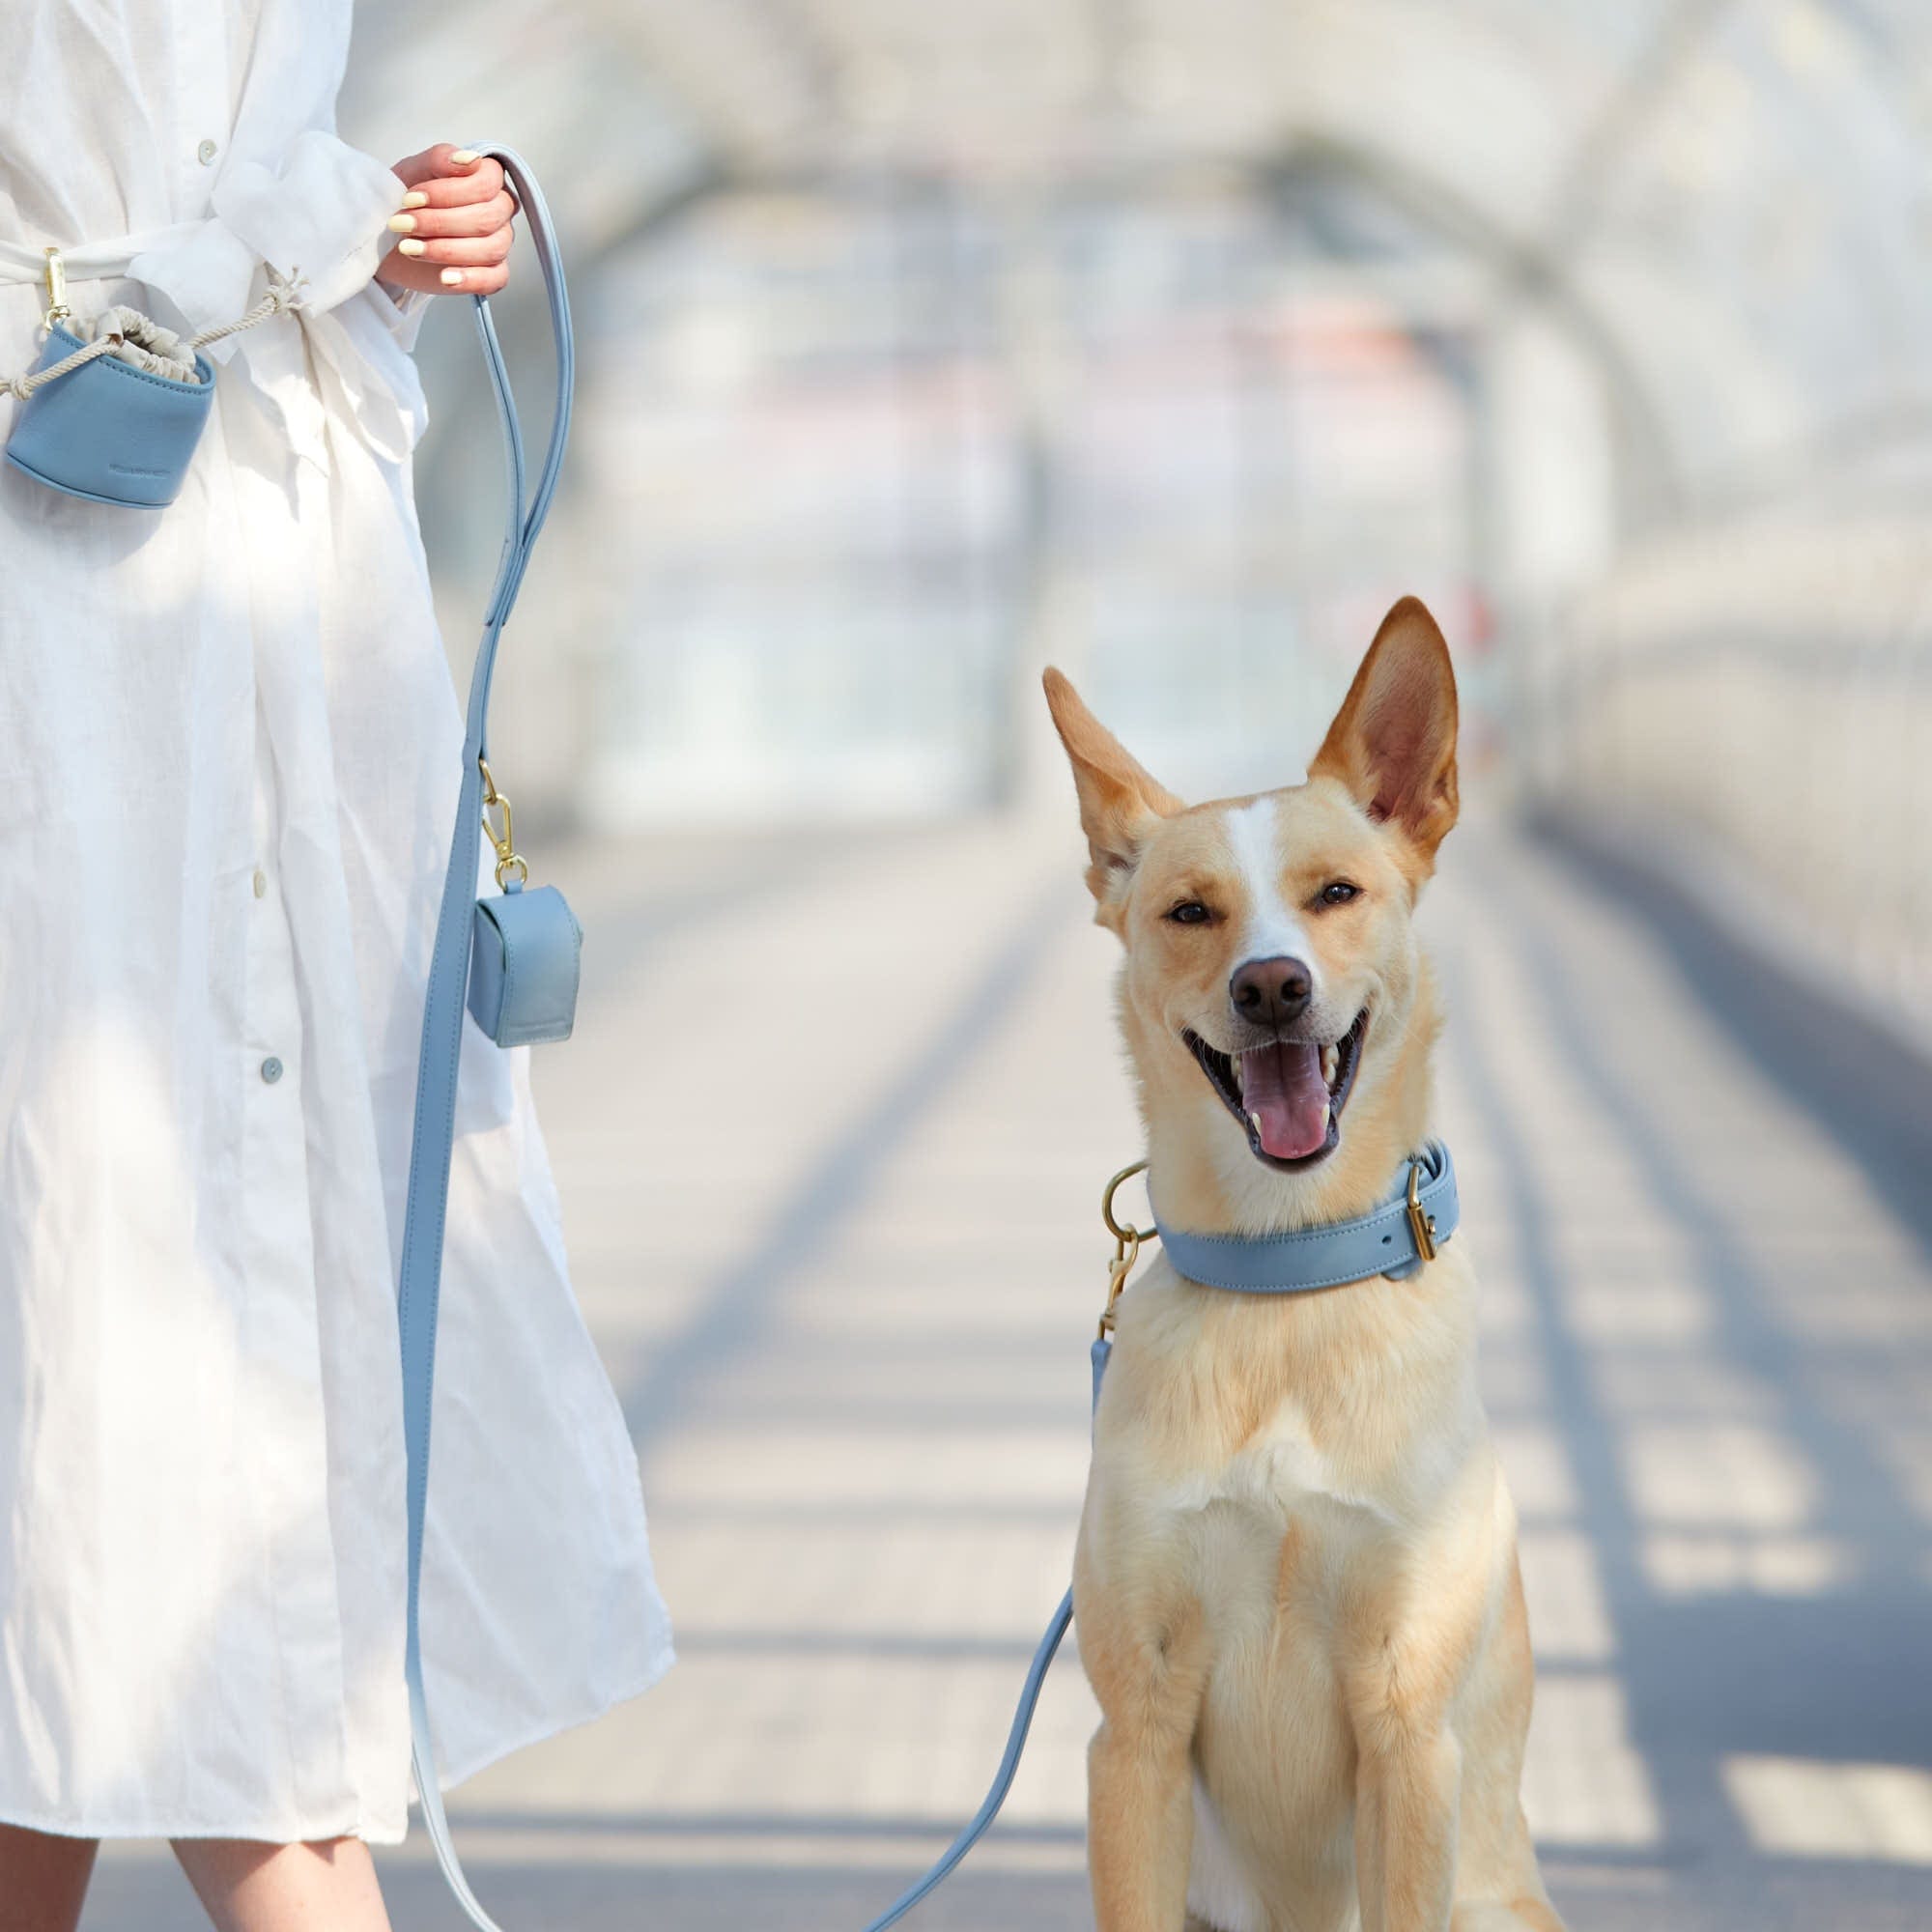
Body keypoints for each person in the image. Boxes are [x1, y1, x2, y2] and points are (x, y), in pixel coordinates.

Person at [0, 7, 673, 1929]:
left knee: (192, 1317)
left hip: (276, 582)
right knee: (89, 1295)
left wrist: (382, 220)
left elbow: (214, 142)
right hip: (60, 582)